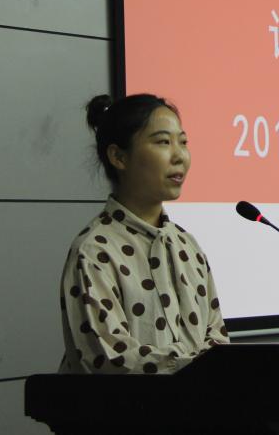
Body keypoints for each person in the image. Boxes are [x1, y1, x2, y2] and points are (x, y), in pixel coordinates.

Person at [58, 93, 228, 374]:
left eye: (183, 142)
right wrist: (194, 369)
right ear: (118, 157)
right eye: (163, 142)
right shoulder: (95, 251)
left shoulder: (188, 246)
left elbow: (217, 337)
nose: (179, 156)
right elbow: (109, 359)